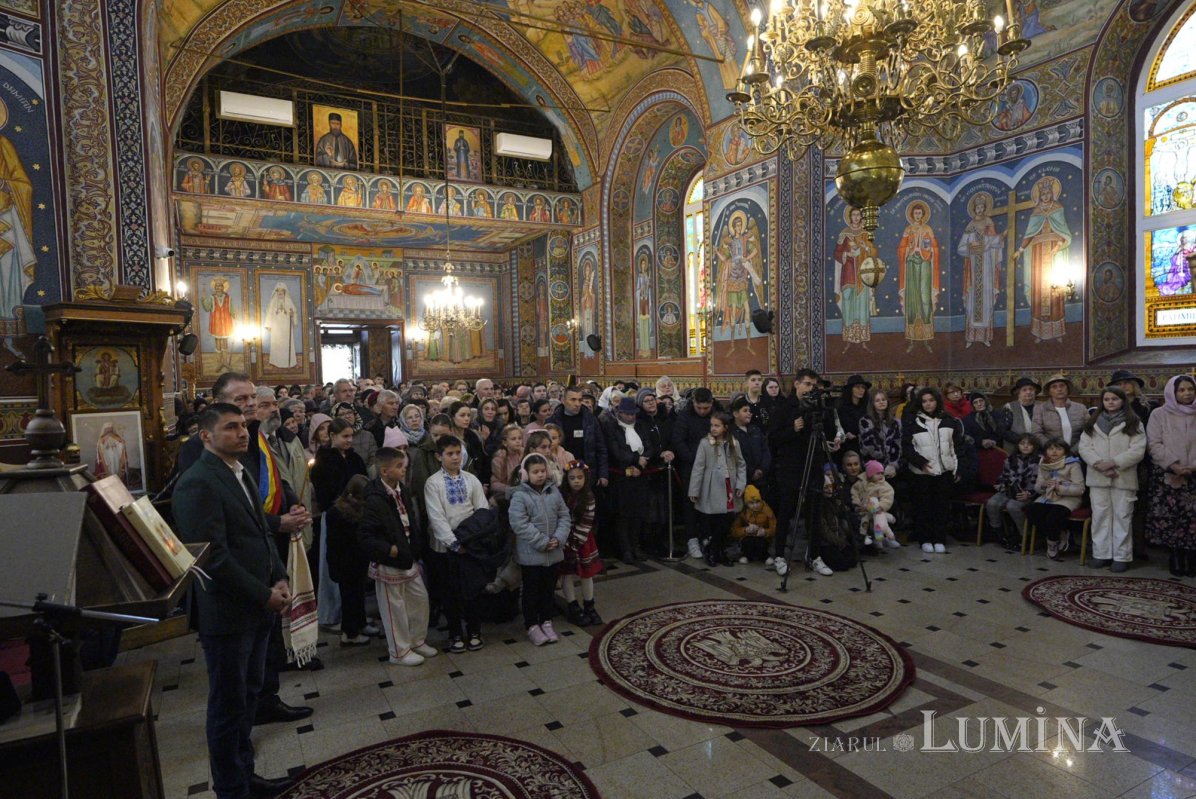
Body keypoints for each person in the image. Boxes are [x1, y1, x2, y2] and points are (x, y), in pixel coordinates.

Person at [174, 404, 295, 799]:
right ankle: (231, 788)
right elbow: (213, 557)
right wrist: (265, 596)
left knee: (248, 696)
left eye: (243, 426)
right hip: (228, 613)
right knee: (228, 707)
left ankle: (246, 776)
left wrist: (279, 575)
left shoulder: (238, 471)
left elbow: (260, 530)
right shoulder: (198, 482)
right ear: (206, 436)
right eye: (231, 427)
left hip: (258, 606)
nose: (243, 433)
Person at [358, 448, 438, 666]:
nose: (404, 470)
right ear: (384, 471)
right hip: (390, 560)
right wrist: (388, 549)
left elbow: (408, 517)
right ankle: (399, 651)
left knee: (419, 600)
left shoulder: (401, 488)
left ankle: (416, 640)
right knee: (395, 608)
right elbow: (366, 535)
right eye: (399, 467)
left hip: (407, 555)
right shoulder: (374, 498)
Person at [768, 369, 840, 576]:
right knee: (787, 511)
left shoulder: (817, 407)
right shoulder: (783, 407)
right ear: (797, 384)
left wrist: (824, 412)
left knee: (814, 512)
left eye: (813, 386)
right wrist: (792, 429)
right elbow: (772, 438)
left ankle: (814, 555)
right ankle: (780, 555)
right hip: (791, 467)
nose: (810, 389)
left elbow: (831, 433)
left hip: (814, 465)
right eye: (807, 384)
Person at [423, 435, 490, 653]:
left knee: (472, 592)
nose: (455, 458)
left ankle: (474, 631)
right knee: (450, 594)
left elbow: (482, 511)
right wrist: (453, 543)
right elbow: (436, 517)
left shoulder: (471, 479)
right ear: (439, 456)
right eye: (450, 454)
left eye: (458, 453)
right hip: (445, 549)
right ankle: (455, 633)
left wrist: (470, 541)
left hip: (470, 546)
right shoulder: (433, 483)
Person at [1078, 387, 1147, 572]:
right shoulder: (1093, 422)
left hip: (1123, 477)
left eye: (1114, 399)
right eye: (1107, 399)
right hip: (1098, 476)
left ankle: (1121, 556)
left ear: (1123, 401)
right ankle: (1101, 554)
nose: (1110, 402)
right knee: (1100, 516)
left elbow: (1137, 450)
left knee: (1122, 516)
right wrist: (1099, 463)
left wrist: (1114, 463)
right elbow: (1085, 448)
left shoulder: (1134, 422)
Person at [510, 453, 571, 646]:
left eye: (543, 471)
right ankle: (532, 625)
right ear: (525, 474)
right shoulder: (519, 495)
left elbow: (564, 516)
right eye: (535, 472)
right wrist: (542, 541)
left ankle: (546, 621)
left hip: (553, 551)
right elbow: (519, 524)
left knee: (548, 589)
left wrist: (558, 538)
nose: (540, 475)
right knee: (531, 590)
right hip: (531, 554)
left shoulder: (554, 492)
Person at [1146, 375, 1196, 577]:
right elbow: (1153, 443)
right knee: (1173, 518)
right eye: (1181, 390)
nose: (1187, 393)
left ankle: (1192, 558)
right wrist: (1173, 464)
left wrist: (1192, 467)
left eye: (1190, 389)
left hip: (1194, 474)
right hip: (1169, 474)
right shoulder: (1159, 414)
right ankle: (1175, 556)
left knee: (1193, 519)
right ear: (1173, 393)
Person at [902, 387, 963, 554]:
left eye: (931, 400)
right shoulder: (913, 422)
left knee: (941, 507)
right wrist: (920, 462)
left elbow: (956, 447)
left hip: (944, 471)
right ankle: (925, 538)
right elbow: (907, 447)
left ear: (937, 401)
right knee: (924, 507)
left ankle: (939, 538)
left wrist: (957, 468)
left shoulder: (948, 420)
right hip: (923, 472)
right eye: (924, 401)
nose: (928, 404)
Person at [601, 396, 659, 564]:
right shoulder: (612, 428)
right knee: (623, 515)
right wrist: (636, 460)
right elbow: (616, 451)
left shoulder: (640, 426)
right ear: (619, 413)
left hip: (639, 477)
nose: (630, 417)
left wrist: (640, 467)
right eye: (626, 414)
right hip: (621, 477)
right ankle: (625, 549)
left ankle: (635, 546)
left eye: (632, 414)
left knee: (637, 513)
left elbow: (649, 447)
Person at [688, 411, 747, 567]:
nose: (713, 429)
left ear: (725, 427)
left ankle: (720, 551)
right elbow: (698, 467)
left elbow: (741, 464)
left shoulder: (734, 443)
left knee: (726, 521)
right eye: (712, 425)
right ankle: (713, 551)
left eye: (717, 426)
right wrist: (694, 489)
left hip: (730, 486)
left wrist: (741, 484)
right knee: (715, 522)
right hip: (712, 487)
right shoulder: (705, 443)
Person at [324, 474, 373, 646]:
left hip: (355, 561)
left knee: (358, 594)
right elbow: (343, 543)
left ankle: (361, 623)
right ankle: (350, 633)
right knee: (350, 597)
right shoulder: (339, 513)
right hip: (346, 563)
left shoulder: (354, 510)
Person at [673, 387, 717, 558]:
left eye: (706, 408)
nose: (702, 411)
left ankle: (707, 537)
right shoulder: (685, 416)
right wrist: (694, 458)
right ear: (693, 403)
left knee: (709, 502)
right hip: (690, 466)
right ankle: (692, 539)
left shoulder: (716, 415)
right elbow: (678, 440)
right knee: (691, 503)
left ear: (711, 404)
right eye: (699, 407)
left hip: (712, 466)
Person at [1024, 437, 1085, 560]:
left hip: (1068, 498)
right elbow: (1037, 486)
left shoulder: (1073, 463)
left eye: (1058, 449)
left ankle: (1052, 543)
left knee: (1053, 516)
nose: (1054, 452)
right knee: (1031, 511)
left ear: (1065, 451)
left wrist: (1059, 488)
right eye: (1051, 449)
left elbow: (1080, 489)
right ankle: (1061, 534)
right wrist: (1043, 485)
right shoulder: (1044, 463)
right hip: (1047, 497)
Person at [559, 460, 603, 626]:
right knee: (566, 573)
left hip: (582, 539)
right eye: (572, 478)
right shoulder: (562, 495)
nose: (576, 481)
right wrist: (564, 542)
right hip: (564, 539)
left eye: (579, 477)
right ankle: (572, 605)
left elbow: (586, 522)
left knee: (587, 574)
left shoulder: (589, 497)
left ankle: (589, 605)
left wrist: (575, 543)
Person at [985, 434, 1040, 549]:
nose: (1025, 447)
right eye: (1022, 444)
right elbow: (1003, 476)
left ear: (1034, 446)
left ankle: (1025, 536)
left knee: (1013, 506)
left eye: (1029, 444)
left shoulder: (1039, 461)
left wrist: (1029, 494)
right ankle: (999, 533)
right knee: (992, 503)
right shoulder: (1011, 459)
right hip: (1009, 490)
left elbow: (1040, 483)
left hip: (1028, 492)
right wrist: (1000, 485)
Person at [548, 386, 609, 484]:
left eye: (580, 400)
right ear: (563, 400)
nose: (577, 404)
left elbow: (601, 448)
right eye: (573, 400)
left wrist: (603, 474)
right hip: (561, 472)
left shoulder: (591, 420)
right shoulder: (553, 421)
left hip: (587, 471)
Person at [851, 460, 899, 548]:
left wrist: (881, 506)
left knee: (880, 521)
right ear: (869, 474)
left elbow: (887, 496)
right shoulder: (860, 483)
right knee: (865, 522)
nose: (880, 475)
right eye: (877, 473)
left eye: (882, 473)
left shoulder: (884, 485)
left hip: (877, 510)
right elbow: (854, 493)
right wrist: (857, 504)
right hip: (864, 509)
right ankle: (869, 538)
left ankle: (886, 538)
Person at [1032, 374, 1087, 448]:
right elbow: (1036, 433)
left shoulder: (1080, 408)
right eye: (1054, 387)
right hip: (1051, 452)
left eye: (1062, 386)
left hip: (1077, 452)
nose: (1059, 389)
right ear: (1049, 391)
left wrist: (1076, 449)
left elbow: (1088, 432)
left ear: (1067, 388)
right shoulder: (1040, 409)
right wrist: (1052, 448)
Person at [857, 387, 902, 478]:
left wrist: (892, 464)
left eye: (883, 399)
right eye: (877, 400)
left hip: (891, 467)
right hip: (873, 464)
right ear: (872, 404)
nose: (881, 402)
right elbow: (869, 445)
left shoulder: (895, 422)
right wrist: (882, 466)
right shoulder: (865, 421)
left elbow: (897, 444)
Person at [730, 395, 770, 490]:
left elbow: (765, 450)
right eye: (745, 411)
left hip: (760, 479)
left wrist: (762, 469)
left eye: (749, 411)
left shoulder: (755, 430)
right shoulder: (730, 433)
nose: (749, 413)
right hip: (741, 480)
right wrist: (751, 472)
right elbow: (733, 457)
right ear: (735, 414)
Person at [731, 484, 776, 563]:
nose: (755, 505)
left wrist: (765, 532)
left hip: (763, 538)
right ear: (747, 504)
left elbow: (774, 528)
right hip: (747, 537)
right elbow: (734, 530)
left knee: (762, 544)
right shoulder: (743, 512)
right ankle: (747, 555)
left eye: (757, 502)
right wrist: (745, 530)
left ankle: (764, 556)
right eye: (751, 503)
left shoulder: (767, 510)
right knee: (747, 543)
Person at [999, 377, 1042, 453]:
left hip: (1039, 447)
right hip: (1015, 449)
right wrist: (1024, 442)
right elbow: (1003, 431)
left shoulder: (1042, 406)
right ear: (1018, 393)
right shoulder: (1009, 407)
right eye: (1024, 390)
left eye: (1031, 389)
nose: (1028, 392)